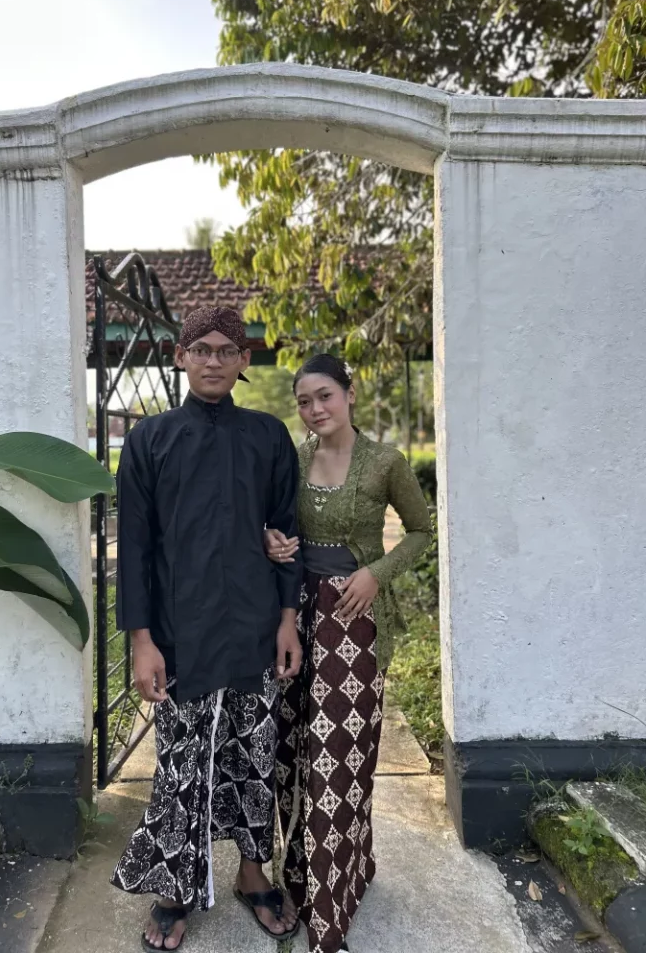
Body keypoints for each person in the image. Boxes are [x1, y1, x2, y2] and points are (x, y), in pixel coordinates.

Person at [110, 305, 302, 952]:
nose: (213, 360)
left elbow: (286, 534)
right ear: (180, 357)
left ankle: (252, 873)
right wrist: (142, 640)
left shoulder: (269, 437)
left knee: (254, 758)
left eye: (226, 350)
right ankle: (175, 888)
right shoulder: (150, 440)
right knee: (180, 766)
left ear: (245, 360)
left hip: (253, 630)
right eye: (201, 349)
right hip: (179, 635)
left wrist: (287, 620)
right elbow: (134, 549)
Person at [265, 354, 432, 953]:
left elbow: (421, 530)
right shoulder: (294, 458)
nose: (315, 409)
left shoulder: (386, 462)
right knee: (292, 750)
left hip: (353, 620)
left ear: (349, 394)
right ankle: (297, 876)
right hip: (295, 615)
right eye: (304, 401)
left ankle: (336, 890)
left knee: (340, 754)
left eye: (324, 396)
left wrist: (376, 573)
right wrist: (273, 540)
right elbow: (276, 522)